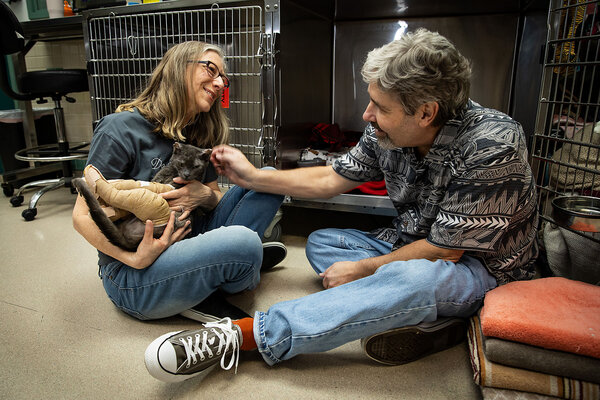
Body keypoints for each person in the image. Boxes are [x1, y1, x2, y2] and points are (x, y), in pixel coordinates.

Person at [143, 29, 539, 383]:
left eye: (380, 108)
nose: (368, 116)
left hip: (478, 267)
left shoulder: (493, 144)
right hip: (409, 242)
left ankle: (247, 335)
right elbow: (332, 178)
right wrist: (252, 177)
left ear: (426, 112)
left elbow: (444, 250)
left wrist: (366, 269)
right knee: (322, 244)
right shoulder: (383, 130)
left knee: (413, 280)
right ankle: (419, 314)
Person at [73, 41, 287, 322]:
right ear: (177, 68)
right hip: (135, 272)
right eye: (211, 69)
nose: (220, 82)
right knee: (244, 242)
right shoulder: (120, 128)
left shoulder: (197, 134)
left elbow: (214, 201)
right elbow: (81, 216)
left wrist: (204, 196)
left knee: (270, 179)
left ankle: (225, 267)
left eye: (223, 77)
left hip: (189, 237)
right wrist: (134, 259)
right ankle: (235, 266)